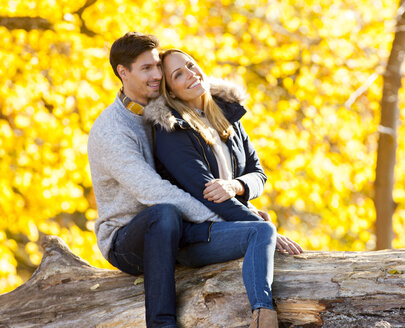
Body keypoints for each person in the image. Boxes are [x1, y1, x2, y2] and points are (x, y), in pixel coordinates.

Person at [88, 32, 302, 328]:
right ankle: (162, 324)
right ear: (123, 73)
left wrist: (243, 202)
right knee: (164, 214)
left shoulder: (170, 114)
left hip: (181, 228)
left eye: (157, 68)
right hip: (127, 238)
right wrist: (234, 221)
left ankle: (263, 312)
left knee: (171, 218)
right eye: (147, 68)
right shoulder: (113, 130)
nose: (156, 75)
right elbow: (155, 191)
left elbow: (256, 172)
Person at [144, 49, 302, 328]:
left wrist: (237, 185)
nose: (191, 74)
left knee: (262, 231)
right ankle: (264, 317)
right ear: (171, 92)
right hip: (194, 234)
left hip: (232, 222)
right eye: (178, 75)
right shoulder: (172, 131)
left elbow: (258, 175)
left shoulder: (226, 115)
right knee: (262, 230)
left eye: (191, 65)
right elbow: (209, 196)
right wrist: (265, 231)